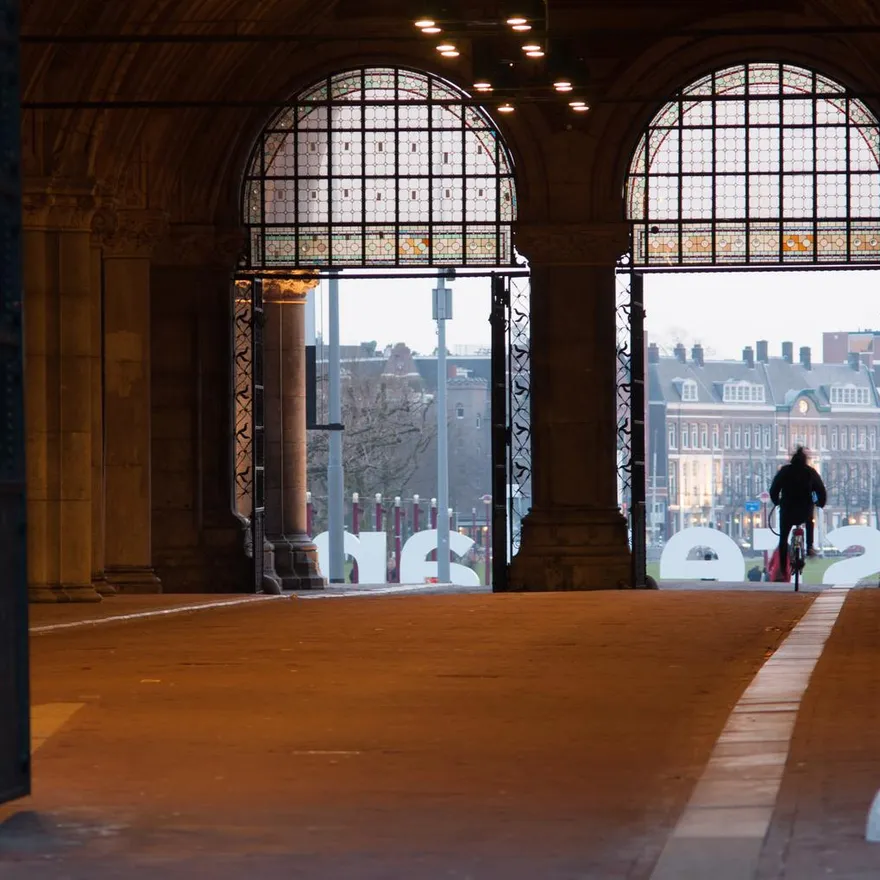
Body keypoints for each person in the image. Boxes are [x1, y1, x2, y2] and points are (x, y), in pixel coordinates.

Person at [769, 446, 827, 580]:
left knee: (783, 539)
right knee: (809, 521)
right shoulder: (810, 472)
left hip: (787, 509)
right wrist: (819, 503)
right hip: (804, 509)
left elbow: (774, 489)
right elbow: (820, 490)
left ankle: (784, 568)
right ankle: (809, 547)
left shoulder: (785, 471)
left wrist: (777, 501)